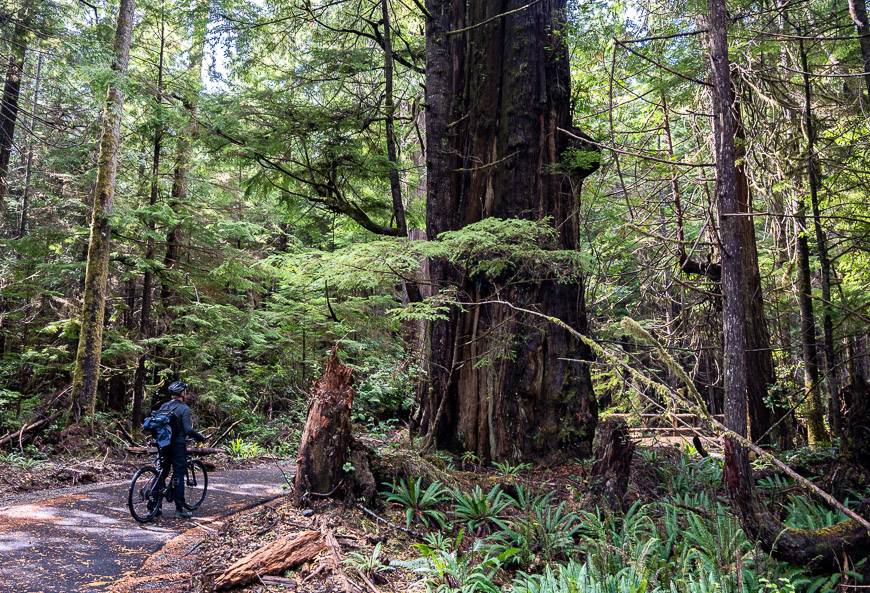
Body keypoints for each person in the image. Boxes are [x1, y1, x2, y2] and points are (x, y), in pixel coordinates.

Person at [156, 380, 206, 519]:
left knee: (163, 472)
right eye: (185, 391)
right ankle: (179, 509)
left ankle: (155, 506)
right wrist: (200, 437)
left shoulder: (164, 406)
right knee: (179, 473)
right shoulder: (184, 408)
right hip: (177, 445)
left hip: (163, 445)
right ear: (182, 393)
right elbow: (188, 429)